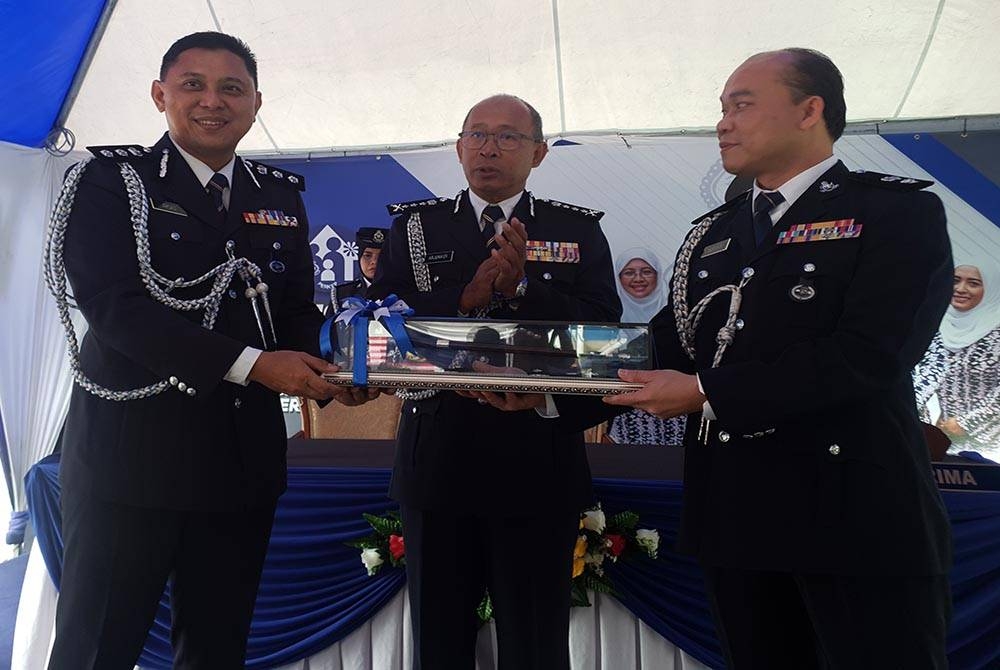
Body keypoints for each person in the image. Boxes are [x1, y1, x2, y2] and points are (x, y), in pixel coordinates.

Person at [606, 48, 954, 668]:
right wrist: (544, 383)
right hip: (736, 518)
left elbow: (871, 355)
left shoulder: (895, 212)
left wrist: (707, 392)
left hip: (854, 517)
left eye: (741, 106)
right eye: (721, 109)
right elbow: (662, 345)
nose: (723, 124)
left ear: (809, 110)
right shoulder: (712, 233)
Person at [48, 32, 341, 669]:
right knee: (95, 650)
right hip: (130, 462)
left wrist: (343, 366)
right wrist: (256, 366)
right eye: (193, 85)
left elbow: (293, 312)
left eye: (231, 88)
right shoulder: (109, 182)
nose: (213, 101)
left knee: (215, 649)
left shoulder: (278, 195)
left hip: (238, 466)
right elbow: (114, 307)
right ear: (161, 95)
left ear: (256, 102)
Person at [362, 94, 621, 669]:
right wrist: (464, 297)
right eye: (477, 135)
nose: (489, 148)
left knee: (536, 644)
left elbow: (603, 333)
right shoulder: (415, 227)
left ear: (539, 152)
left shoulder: (574, 228)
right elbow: (381, 323)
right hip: (438, 458)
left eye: (507, 137)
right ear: (459, 148)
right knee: (439, 642)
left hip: (537, 458)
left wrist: (526, 289)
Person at [914, 259, 1000, 462]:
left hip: (989, 442)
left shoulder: (996, 333)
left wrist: (965, 422)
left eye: (973, 283)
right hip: (943, 441)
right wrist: (916, 416)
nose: (961, 289)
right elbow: (927, 375)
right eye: (955, 280)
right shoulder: (936, 327)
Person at [607, 248, 686, 445]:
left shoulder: (676, 315)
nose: (638, 279)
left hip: (675, 405)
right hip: (624, 407)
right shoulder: (609, 316)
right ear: (618, 277)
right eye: (629, 272)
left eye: (646, 271)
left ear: (658, 275)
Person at [325, 226, 389, 314]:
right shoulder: (341, 294)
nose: (374, 262)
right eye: (368, 256)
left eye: (381, 256)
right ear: (359, 258)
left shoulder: (402, 293)